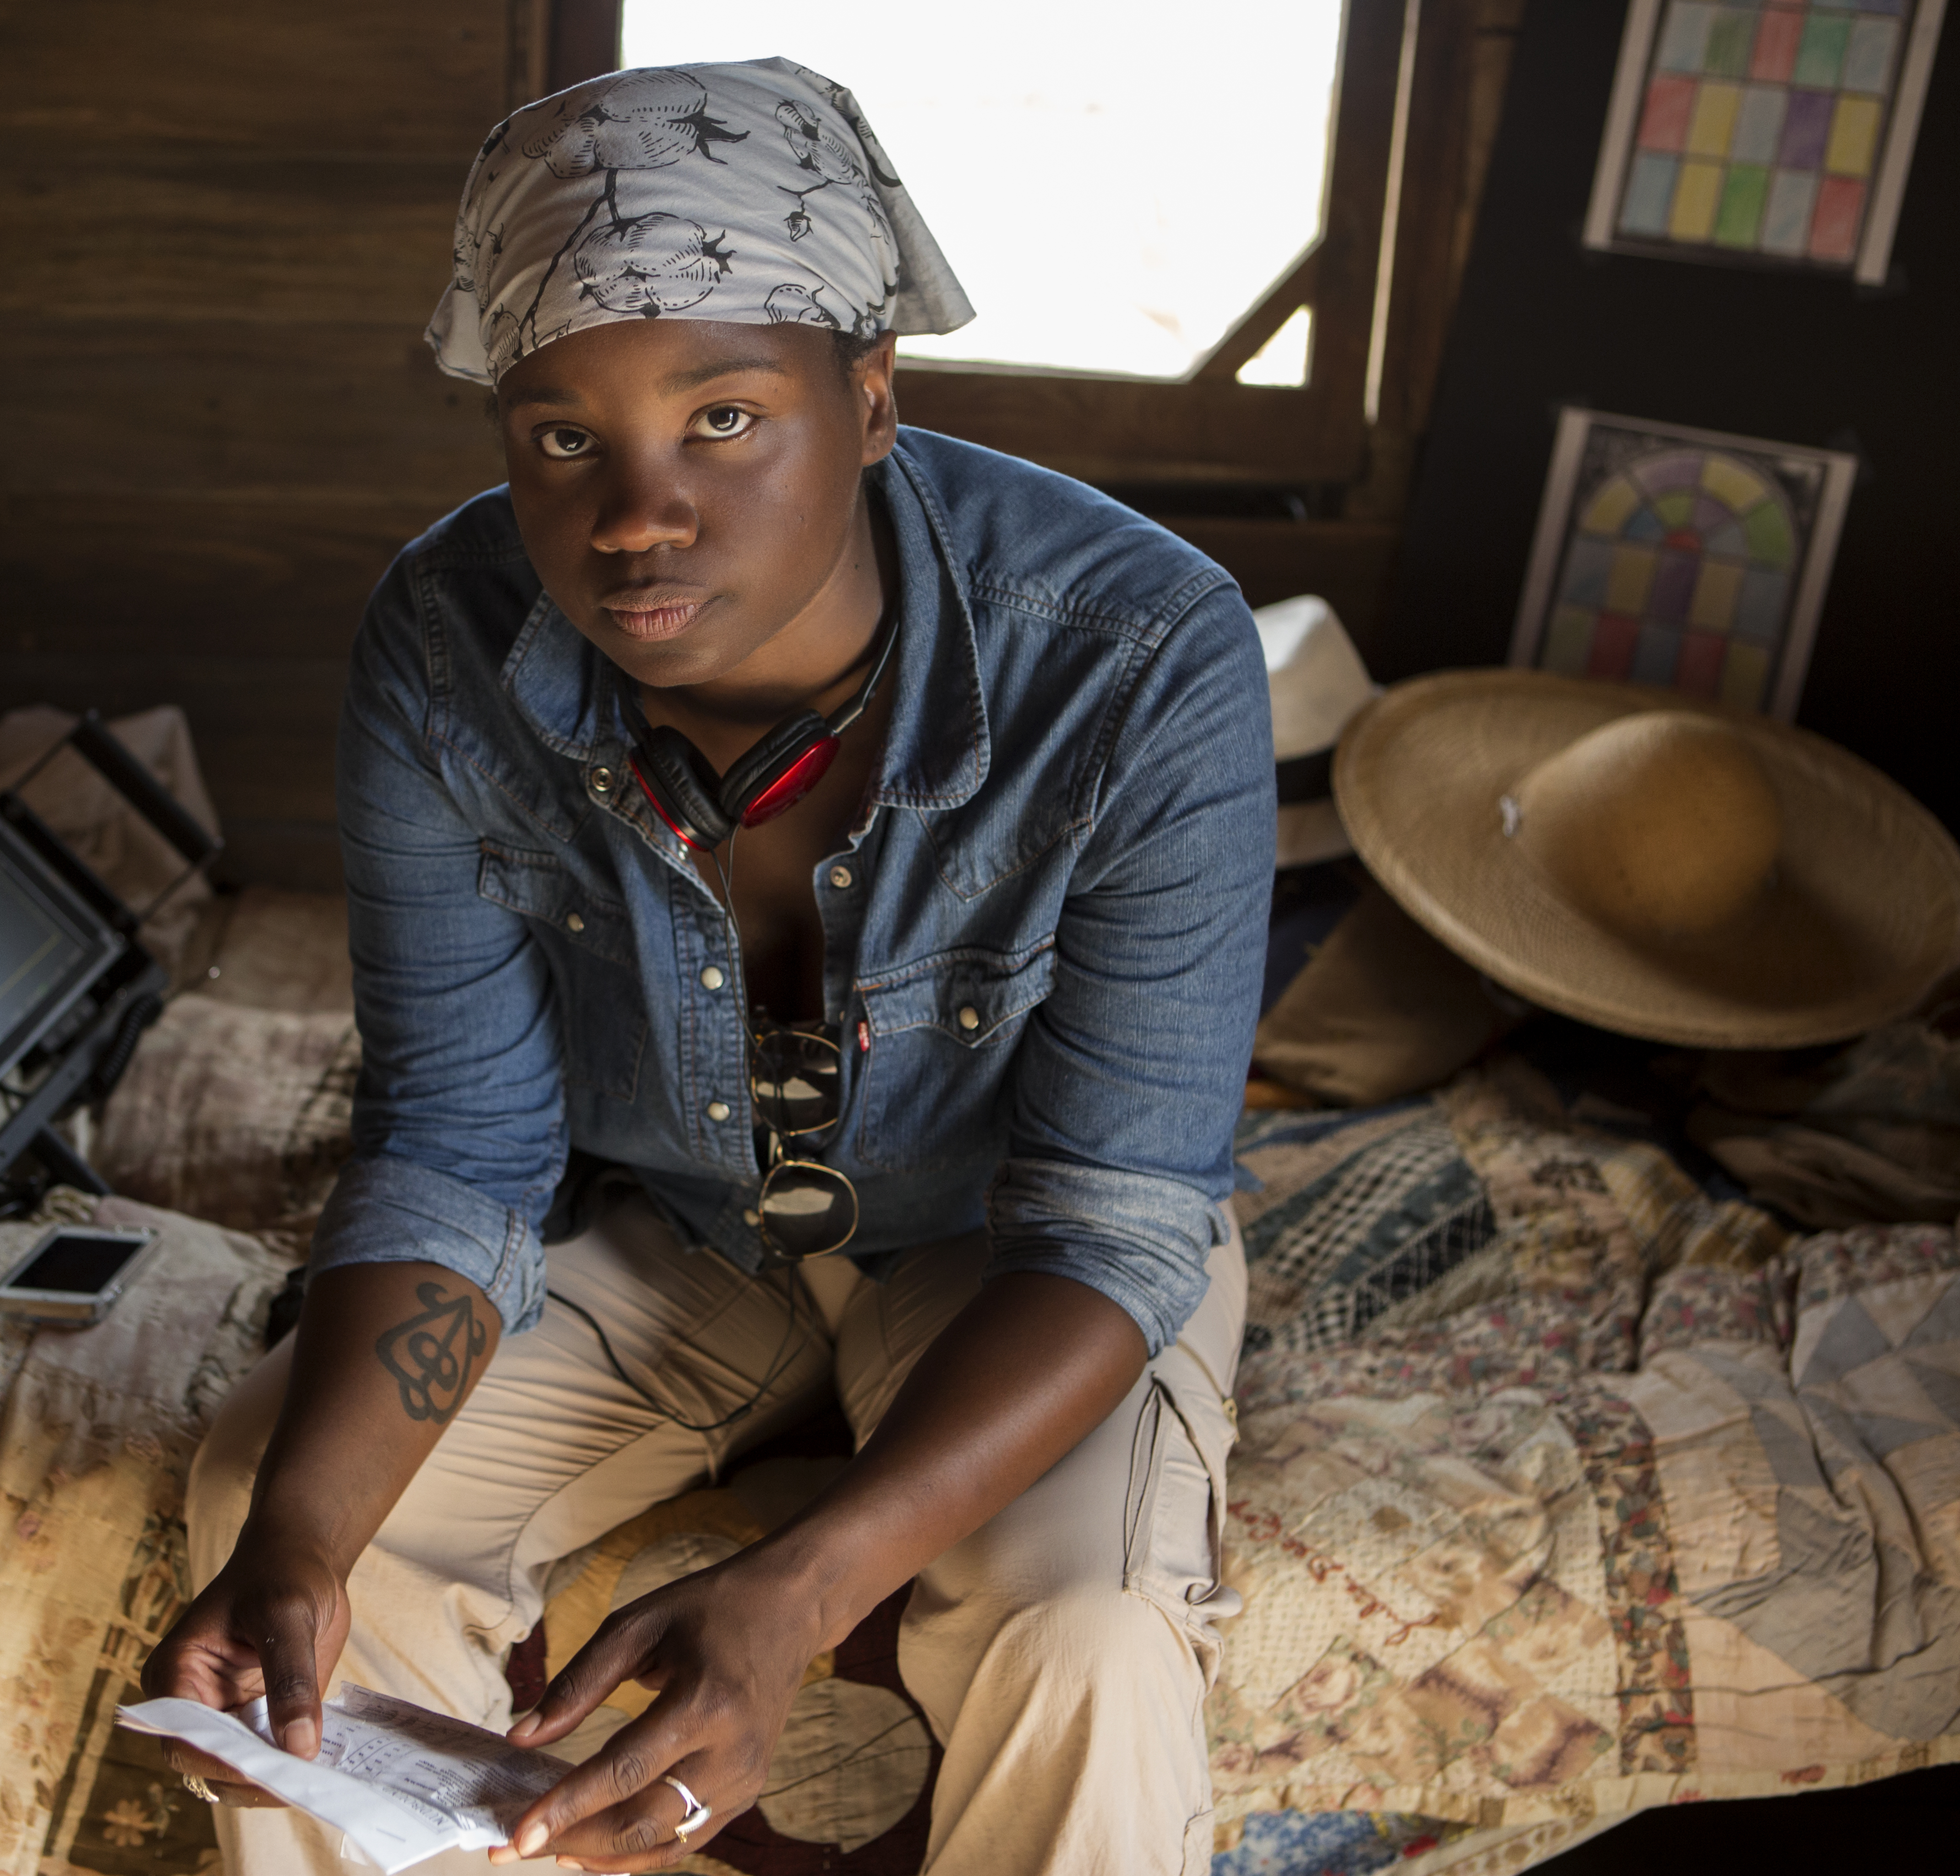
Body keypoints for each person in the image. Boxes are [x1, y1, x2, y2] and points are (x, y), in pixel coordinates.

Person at [144, 57, 1272, 1876]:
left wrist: (797, 1591)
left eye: (725, 417)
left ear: (876, 396)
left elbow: (1121, 1215)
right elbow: (457, 1144)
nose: (636, 512)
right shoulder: (443, 643)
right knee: (275, 1517)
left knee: (1090, 1636)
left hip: (1009, 1246)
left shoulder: (1142, 656)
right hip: (668, 1223)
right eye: (561, 436)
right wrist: (296, 1540)